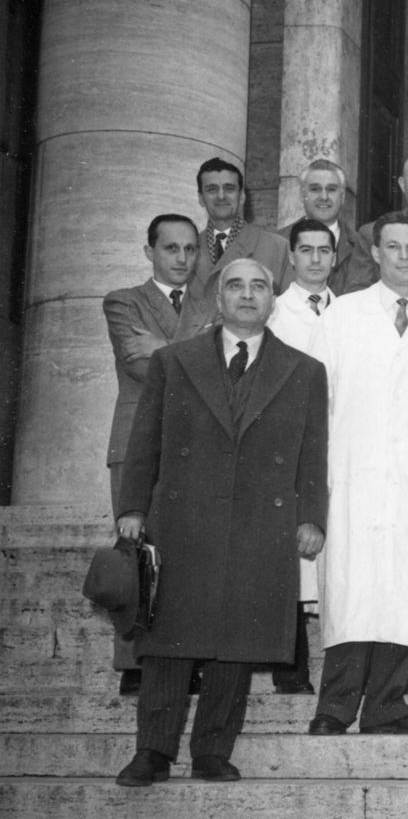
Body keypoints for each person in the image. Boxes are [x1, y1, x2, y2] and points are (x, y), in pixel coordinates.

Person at [113, 258, 328, 786]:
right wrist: (133, 509)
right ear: (218, 299)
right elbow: (145, 441)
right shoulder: (173, 361)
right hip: (183, 519)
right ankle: (153, 753)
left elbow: (313, 453)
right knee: (167, 639)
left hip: (262, 521)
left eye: (259, 286)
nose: (248, 295)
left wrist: (312, 519)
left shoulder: (304, 370)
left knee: (237, 640)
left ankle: (212, 750)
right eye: (236, 286)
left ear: (273, 300)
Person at [307, 213, 408, 736]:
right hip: (351, 473)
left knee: (404, 589)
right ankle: (334, 708)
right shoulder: (341, 315)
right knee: (352, 589)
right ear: (375, 253)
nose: (404, 256)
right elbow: (316, 401)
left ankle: (387, 707)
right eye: (393, 247)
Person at [103, 214, 216, 696]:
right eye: (171, 248)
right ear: (150, 250)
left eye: (190, 249)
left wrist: (164, 349)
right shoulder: (123, 301)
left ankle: (182, 659)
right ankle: (132, 661)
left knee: (187, 554)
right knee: (134, 552)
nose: (182, 259)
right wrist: (190, 350)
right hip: (137, 442)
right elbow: (136, 361)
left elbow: (213, 371)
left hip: (194, 442)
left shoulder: (212, 302)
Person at [265, 218, 338, 694]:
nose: (314, 258)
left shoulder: (350, 309)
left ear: (335, 257)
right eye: (305, 250)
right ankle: (290, 667)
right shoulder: (273, 312)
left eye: (323, 250)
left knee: (333, 556)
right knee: (289, 556)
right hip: (286, 445)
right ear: (291, 257)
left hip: (339, 440)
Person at [191, 157, 288, 300]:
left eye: (229, 189)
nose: (221, 196)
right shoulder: (189, 249)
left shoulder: (277, 247)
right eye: (212, 189)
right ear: (200, 198)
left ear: (242, 196)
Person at [278, 158, 377, 295]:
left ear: (342, 197)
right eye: (315, 189)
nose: (324, 197)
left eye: (331, 189)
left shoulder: (361, 245)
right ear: (302, 195)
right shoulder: (277, 243)